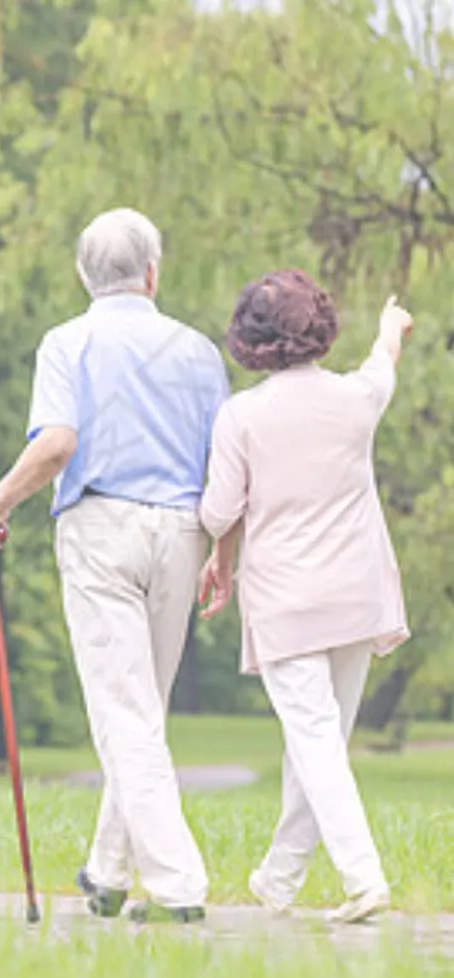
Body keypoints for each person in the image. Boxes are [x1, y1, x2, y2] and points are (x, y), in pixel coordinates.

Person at [0, 207, 230, 923]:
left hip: (101, 528)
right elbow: (225, 463)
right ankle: (108, 873)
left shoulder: (68, 342)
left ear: (84, 275)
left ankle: (178, 885)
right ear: (153, 272)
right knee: (142, 710)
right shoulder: (200, 352)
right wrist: (225, 553)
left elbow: (58, 442)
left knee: (126, 713)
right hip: (183, 533)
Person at [198, 270, 411, 924]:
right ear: (317, 327)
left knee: (315, 742)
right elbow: (383, 365)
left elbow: (216, 511)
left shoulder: (242, 416)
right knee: (318, 743)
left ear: (251, 338)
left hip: (288, 601)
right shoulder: (355, 400)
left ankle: (363, 876)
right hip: (356, 595)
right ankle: (280, 878)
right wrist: (390, 327)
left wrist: (220, 552)